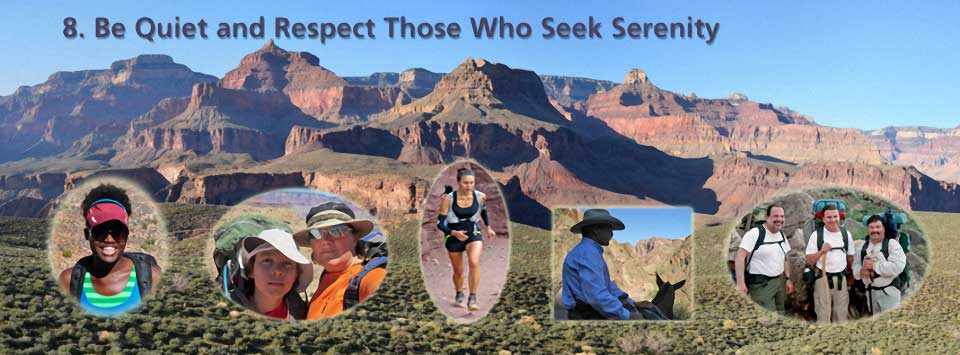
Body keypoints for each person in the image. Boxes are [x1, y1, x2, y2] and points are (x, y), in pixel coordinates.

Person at [58, 184, 161, 317]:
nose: (109, 239)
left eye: (118, 232)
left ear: (127, 235)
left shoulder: (152, 278)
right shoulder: (69, 281)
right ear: (87, 235)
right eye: (100, 231)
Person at [561, 209, 664, 320]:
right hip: (587, 315)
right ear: (596, 230)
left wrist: (633, 303)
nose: (612, 233)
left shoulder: (588, 251)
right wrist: (628, 316)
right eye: (609, 229)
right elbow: (597, 297)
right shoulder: (587, 254)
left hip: (589, 312)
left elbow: (606, 285)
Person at [293, 202, 386, 319]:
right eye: (316, 233)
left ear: (355, 237)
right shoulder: (326, 276)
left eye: (336, 231)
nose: (325, 240)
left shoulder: (371, 277)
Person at [436, 167, 496, 311]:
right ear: (458, 182)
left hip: (472, 231)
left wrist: (488, 227)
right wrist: (454, 233)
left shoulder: (480, 196)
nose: (469, 186)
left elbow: (483, 210)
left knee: (474, 261)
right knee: (459, 271)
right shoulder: (448, 199)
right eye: (465, 183)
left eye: (471, 183)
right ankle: (459, 292)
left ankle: (473, 298)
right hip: (453, 234)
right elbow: (440, 223)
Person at [235, 229, 313, 320]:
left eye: (287, 264)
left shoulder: (304, 318)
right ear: (251, 270)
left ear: (296, 274)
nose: (277, 271)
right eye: (267, 261)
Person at [735, 204, 793, 313]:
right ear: (767, 217)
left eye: (782, 216)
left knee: (781, 312)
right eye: (775, 216)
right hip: (761, 286)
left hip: (779, 282)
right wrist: (740, 283)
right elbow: (740, 256)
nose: (779, 219)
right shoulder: (755, 233)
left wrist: (788, 279)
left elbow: (785, 258)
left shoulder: (781, 234)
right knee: (767, 320)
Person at [804, 205, 855, 323]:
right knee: (823, 315)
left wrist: (851, 277)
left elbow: (850, 257)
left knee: (841, 315)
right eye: (829, 217)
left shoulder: (846, 235)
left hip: (841, 279)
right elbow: (809, 260)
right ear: (823, 219)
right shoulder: (816, 235)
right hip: (822, 278)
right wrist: (821, 251)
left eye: (835, 216)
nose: (833, 220)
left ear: (839, 217)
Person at [853, 215, 907, 315]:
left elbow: (898, 267)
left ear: (883, 228)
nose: (874, 230)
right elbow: (855, 269)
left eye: (878, 227)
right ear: (868, 229)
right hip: (871, 294)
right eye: (871, 227)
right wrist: (861, 271)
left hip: (889, 294)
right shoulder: (862, 247)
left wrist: (874, 266)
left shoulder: (892, 244)